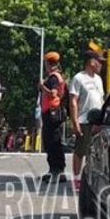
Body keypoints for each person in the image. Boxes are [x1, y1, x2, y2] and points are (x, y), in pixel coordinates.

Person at [69, 50, 105, 192]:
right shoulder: (78, 78)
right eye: (99, 62)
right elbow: (73, 101)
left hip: (97, 121)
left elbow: (101, 99)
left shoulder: (98, 79)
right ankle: (77, 179)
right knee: (80, 151)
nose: (101, 65)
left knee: (94, 152)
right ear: (91, 62)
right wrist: (75, 122)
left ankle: (90, 178)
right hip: (84, 120)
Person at [39, 51, 67, 182]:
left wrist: (42, 87)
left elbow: (53, 94)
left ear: (48, 64)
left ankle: (57, 171)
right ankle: (54, 170)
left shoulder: (54, 78)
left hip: (52, 114)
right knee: (51, 142)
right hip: (51, 113)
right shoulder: (55, 76)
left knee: (53, 143)